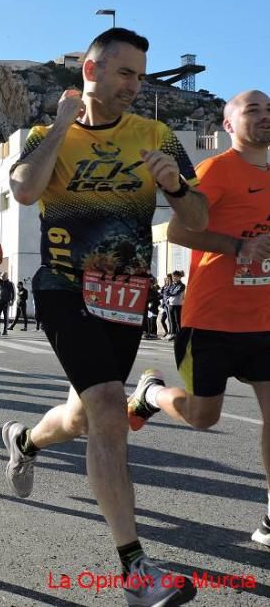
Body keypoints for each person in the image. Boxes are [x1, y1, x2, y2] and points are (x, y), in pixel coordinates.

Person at [1, 27, 206, 606]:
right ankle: (136, 572)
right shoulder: (47, 135)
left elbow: (196, 212)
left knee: (86, 416)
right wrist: (63, 125)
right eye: (125, 73)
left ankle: (26, 441)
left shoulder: (157, 134)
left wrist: (175, 186)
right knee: (111, 414)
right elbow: (21, 190)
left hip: (126, 294)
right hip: (64, 289)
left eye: (140, 75)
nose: (135, 86)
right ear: (91, 73)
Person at [126, 89, 270, 548]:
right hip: (211, 320)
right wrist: (238, 247)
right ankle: (151, 393)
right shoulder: (216, 170)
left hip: (264, 321)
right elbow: (179, 228)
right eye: (253, 110)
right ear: (229, 125)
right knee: (204, 417)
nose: (265, 116)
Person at [166, 270, 186, 340]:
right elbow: (166, 291)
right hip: (171, 304)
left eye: (176, 276)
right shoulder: (172, 284)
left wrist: (169, 292)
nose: (174, 278)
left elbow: (175, 293)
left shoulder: (182, 285)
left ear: (179, 277)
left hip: (178, 304)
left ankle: (180, 335)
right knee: (171, 320)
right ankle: (173, 334)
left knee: (178, 321)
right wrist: (169, 289)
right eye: (173, 276)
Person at [158, 273, 173, 338]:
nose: (166, 280)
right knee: (162, 320)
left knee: (170, 320)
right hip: (164, 305)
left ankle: (171, 332)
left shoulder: (171, 286)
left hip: (169, 305)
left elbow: (168, 295)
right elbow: (161, 295)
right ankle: (167, 332)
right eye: (166, 279)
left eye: (168, 279)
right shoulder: (164, 287)